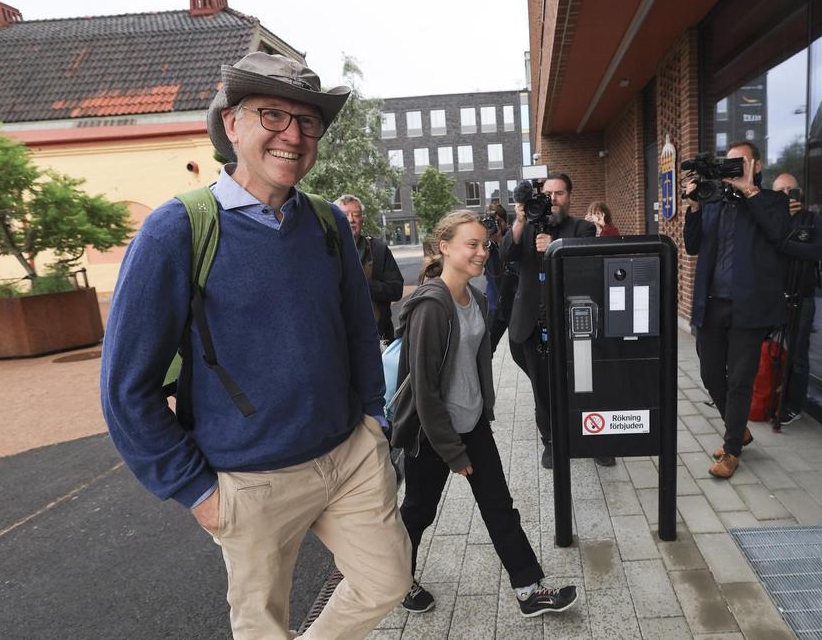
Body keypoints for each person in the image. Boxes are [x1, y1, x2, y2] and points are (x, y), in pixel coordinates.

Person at [100, 52, 411, 639]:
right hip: (251, 480)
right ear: (232, 124)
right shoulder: (176, 230)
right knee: (263, 628)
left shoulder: (326, 223)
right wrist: (196, 490)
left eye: (307, 122)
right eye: (272, 115)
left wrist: (374, 420)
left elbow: (357, 330)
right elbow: (125, 390)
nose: (292, 135)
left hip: (349, 456)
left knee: (387, 581)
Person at [392, 210, 578, 617]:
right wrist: (452, 451)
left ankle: (529, 589)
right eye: (471, 245)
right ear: (445, 247)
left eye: (485, 245)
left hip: (472, 423)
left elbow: (476, 362)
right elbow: (424, 391)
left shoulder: (474, 298)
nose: (482, 252)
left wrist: (482, 411)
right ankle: (397, 580)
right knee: (418, 512)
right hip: (433, 433)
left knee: (499, 507)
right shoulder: (431, 306)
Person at [684, 141, 791, 479]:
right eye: (728, 163)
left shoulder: (773, 201)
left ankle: (732, 449)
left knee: (740, 380)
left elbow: (779, 233)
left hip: (749, 307)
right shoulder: (714, 202)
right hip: (712, 304)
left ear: (756, 165)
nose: (733, 168)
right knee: (710, 374)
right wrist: (695, 207)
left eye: (740, 162)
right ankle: (739, 430)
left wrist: (749, 191)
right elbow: (692, 245)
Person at [501, 173, 612, 469]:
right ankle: (551, 440)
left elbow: (588, 270)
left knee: (584, 383)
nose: (552, 200)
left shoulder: (581, 228)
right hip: (531, 322)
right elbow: (506, 255)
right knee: (543, 387)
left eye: (559, 193)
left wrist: (556, 247)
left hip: (571, 325)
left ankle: (593, 437)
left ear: (569, 196)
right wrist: (519, 220)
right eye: (548, 194)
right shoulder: (526, 227)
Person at [772, 173, 822, 425]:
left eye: (790, 189)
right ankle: (768, 394)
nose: (786, 194)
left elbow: (815, 251)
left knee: (797, 354)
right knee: (767, 349)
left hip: (801, 296)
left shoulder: (814, 220)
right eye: (780, 191)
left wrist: (782, 244)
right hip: (771, 294)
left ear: (800, 192)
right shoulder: (771, 221)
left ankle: (794, 404)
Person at [336, 194, 404, 343]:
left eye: (356, 215)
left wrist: (364, 284)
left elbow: (396, 290)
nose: (351, 220)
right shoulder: (326, 252)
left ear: (362, 219)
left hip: (377, 339)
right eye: (345, 215)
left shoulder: (378, 249)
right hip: (339, 340)